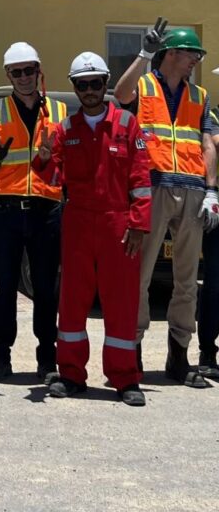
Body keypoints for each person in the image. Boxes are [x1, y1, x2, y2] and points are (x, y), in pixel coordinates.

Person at [34, 52, 151, 406]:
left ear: (106, 83)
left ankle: (124, 378)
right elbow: (54, 178)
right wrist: (42, 158)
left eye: (95, 83)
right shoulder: (65, 130)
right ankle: (71, 374)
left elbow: (140, 179)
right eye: (82, 85)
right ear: (75, 87)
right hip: (79, 223)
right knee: (72, 301)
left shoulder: (127, 124)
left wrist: (138, 224)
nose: (89, 90)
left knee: (121, 302)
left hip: (118, 224)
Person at [114, 20, 219, 387]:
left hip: (192, 190)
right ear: (172, 53)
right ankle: (133, 353)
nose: (196, 61)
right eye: (192, 55)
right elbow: (121, 94)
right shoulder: (144, 85)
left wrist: (212, 191)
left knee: (187, 280)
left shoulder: (199, 95)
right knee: (139, 276)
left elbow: (207, 144)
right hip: (152, 187)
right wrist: (143, 53)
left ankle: (179, 357)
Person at [0, 42, 66, 384]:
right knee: (5, 287)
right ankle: (1, 357)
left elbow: (68, 159)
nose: (24, 77)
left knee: (46, 288)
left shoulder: (58, 111)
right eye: (17, 72)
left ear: (38, 71)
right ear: (8, 75)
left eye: (30, 70)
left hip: (46, 209)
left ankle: (47, 359)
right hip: (5, 210)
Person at [198, 98, 219, 378]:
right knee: (215, 283)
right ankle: (207, 352)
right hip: (217, 205)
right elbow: (214, 142)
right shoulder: (214, 115)